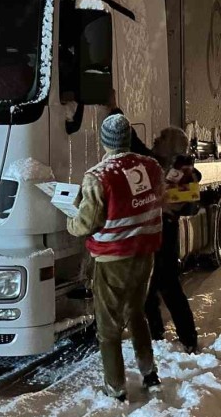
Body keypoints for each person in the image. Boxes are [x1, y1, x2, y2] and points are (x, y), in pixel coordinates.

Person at [67, 113, 166, 401]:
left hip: (113, 259)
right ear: (129, 138)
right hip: (144, 254)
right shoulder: (151, 167)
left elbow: (86, 223)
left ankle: (116, 388)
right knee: (136, 313)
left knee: (108, 327)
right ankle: (150, 374)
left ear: (104, 141)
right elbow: (153, 199)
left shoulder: (98, 176)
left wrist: (71, 221)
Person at [145, 126, 200, 354]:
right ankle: (156, 335)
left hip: (166, 234)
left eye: (162, 137)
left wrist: (164, 203)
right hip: (152, 232)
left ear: (173, 146)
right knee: (149, 287)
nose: (156, 139)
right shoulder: (155, 161)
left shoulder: (184, 171)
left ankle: (189, 338)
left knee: (169, 287)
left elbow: (184, 205)